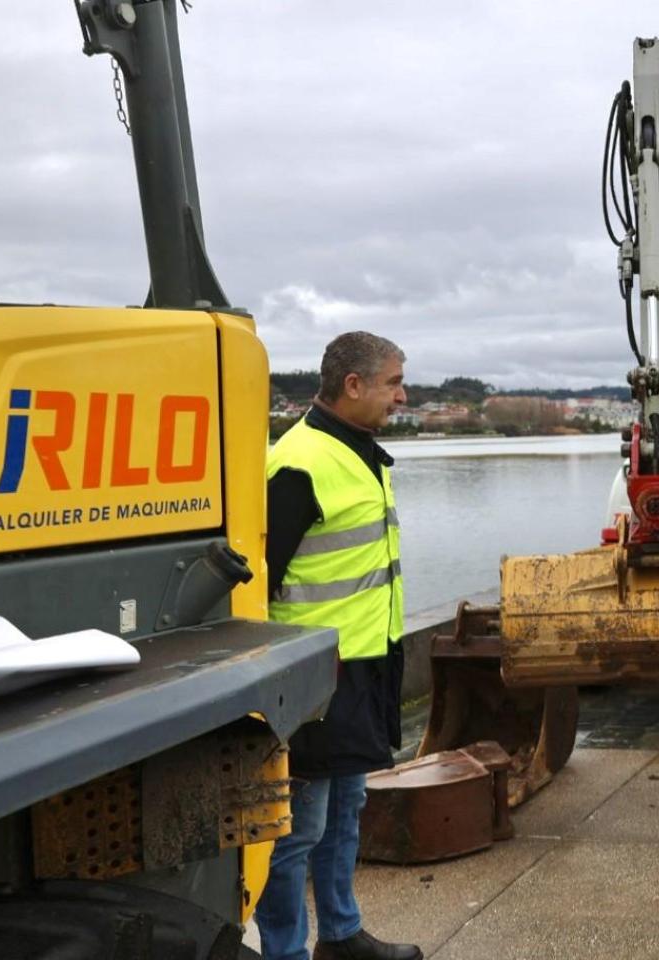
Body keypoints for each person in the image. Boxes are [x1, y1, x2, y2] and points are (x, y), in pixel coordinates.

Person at [258, 332, 421, 960]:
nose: (402, 395)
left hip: (361, 666)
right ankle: (286, 951)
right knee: (299, 828)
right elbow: (262, 583)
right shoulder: (300, 461)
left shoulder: (356, 451)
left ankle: (343, 935)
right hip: (311, 676)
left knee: (345, 811)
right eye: (393, 382)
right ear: (353, 385)